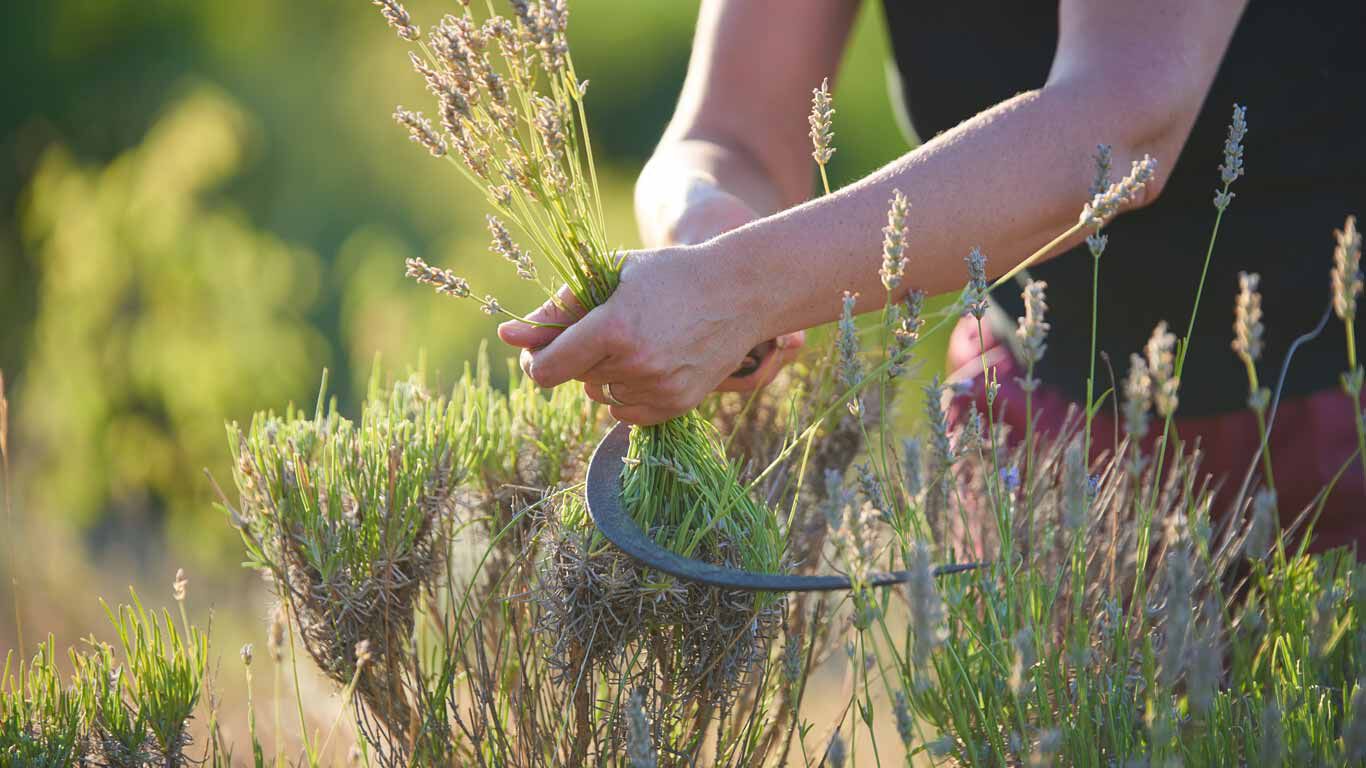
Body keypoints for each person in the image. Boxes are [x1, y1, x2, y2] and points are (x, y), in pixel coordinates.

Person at [498, 0, 1366, 551]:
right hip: (1046, 422)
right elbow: (730, 132)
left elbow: (1121, 128)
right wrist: (710, 236)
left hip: (1332, 418)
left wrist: (736, 289)